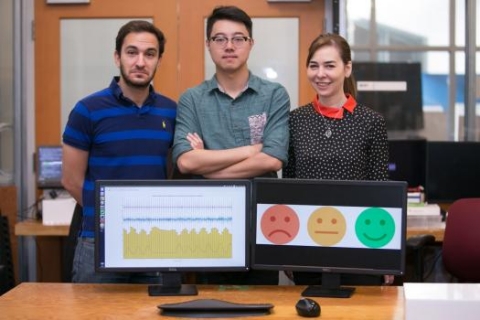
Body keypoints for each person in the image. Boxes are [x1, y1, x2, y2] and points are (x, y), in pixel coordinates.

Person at [172, 5, 290, 284]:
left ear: (251, 44)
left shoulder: (274, 95)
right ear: (208, 45)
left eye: (238, 38)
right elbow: (186, 161)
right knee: (212, 306)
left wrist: (209, 167)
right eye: (219, 39)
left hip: (262, 223)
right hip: (208, 225)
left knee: (264, 308)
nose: (229, 46)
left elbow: (273, 159)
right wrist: (251, 149)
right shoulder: (192, 99)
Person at [61, 20, 177, 283]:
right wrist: (113, 216)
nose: (140, 62)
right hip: (100, 241)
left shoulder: (172, 112)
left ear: (159, 60)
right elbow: (71, 180)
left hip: (156, 240)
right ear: (117, 57)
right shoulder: (87, 110)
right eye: (131, 52)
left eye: (150, 54)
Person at [283, 33, 394, 286]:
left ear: (347, 68)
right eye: (314, 66)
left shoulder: (371, 121)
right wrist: (287, 248)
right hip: (308, 241)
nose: (320, 73)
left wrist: (387, 252)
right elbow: (289, 189)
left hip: (361, 240)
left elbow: (381, 188)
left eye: (329, 65)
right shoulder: (295, 120)